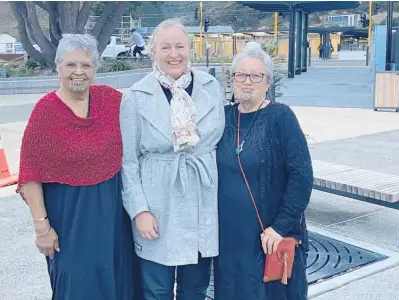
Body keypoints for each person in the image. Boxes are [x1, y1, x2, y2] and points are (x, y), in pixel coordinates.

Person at [16, 34, 136, 299]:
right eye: (71, 65)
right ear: (58, 67)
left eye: (86, 65)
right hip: (70, 224)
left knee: (118, 281)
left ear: (95, 69)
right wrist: (42, 229)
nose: (78, 72)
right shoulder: (45, 111)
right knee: (77, 286)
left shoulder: (111, 100)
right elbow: (30, 175)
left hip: (114, 221)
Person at [120, 18, 225, 300]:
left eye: (180, 46)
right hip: (158, 205)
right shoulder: (136, 96)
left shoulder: (210, 86)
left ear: (190, 49)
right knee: (156, 290)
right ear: (152, 52)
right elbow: (128, 162)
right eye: (165, 47)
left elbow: (219, 142)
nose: (173, 54)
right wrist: (139, 210)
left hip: (201, 198)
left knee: (195, 288)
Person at [213, 46, 313, 299]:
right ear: (232, 80)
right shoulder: (222, 118)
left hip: (267, 236)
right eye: (241, 75)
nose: (247, 81)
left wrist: (279, 227)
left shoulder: (281, 117)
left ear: (267, 82)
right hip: (229, 237)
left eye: (256, 76)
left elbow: (301, 176)